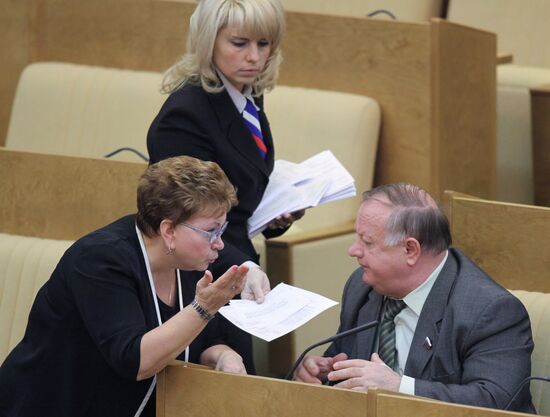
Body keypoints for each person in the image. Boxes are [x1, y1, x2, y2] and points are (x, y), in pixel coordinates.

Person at [0, 156, 251, 417]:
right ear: (169, 231)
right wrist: (204, 308)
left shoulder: (188, 264)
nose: (219, 244)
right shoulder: (98, 259)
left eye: (222, 230)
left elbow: (206, 340)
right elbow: (134, 360)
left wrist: (224, 356)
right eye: (211, 231)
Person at [147, 0, 303, 372]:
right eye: (239, 43)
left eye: (264, 44)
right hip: (199, 278)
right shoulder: (185, 114)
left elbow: (238, 197)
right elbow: (187, 219)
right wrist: (243, 266)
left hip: (232, 266)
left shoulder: (245, 95)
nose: (254, 57)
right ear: (208, 42)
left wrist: (277, 214)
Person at [294, 183, 535, 413]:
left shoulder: (490, 311)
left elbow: (495, 402)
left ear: (410, 250)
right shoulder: (362, 286)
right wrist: (322, 372)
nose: (353, 251)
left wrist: (399, 388)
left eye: (367, 242)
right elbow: (344, 358)